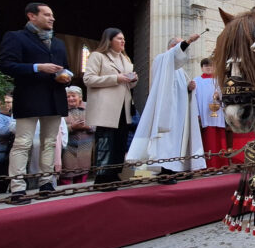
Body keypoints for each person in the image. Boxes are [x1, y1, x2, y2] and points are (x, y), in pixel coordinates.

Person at [0, 2, 71, 204]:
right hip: (29, 96)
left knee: (50, 143)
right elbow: (6, 65)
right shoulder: (16, 37)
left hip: (54, 98)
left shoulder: (58, 43)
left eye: (52, 15)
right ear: (32, 16)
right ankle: (18, 188)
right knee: (23, 143)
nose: (52, 18)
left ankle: (46, 183)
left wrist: (65, 76)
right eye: (47, 14)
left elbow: (66, 68)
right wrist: (37, 67)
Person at [126, 34, 205, 176]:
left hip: (179, 112)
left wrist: (189, 87)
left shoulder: (180, 69)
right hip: (166, 110)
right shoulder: (162, 59)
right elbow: (173, 60)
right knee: (166, 140)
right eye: (181, 47)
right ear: (172, 48)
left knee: (176, 141)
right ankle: (164, 170)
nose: (185, 51)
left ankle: (176, 168)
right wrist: (189, 41)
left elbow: (181, 88)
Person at [83, 28, 138, 185]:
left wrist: (133, 80)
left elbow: (128, 85)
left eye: (124, 39)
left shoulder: (126, 60)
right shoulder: (98, 56)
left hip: (123, 106)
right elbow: (89, 79)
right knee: (105, 141)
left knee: (120, 141)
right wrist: (116, 78)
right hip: (106, 107)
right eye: (119, 38)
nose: (123, 41)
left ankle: (114, 174)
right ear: (109, 40)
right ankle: (102, 177)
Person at [193, 58, 228, 169]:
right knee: (207, 141)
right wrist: (196, 113)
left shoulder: (219, 80)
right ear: (202, 68)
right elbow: (193, 98)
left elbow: (224, 97)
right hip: (203, 115)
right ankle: (208, 166)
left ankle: (222, 165)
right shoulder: (196, 81)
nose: (208, 68)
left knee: (219, 140)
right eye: (205, 66)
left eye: (210, 66)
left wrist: (219, 96)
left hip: (218, 115)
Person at [60, 86, 94, 185]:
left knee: (83, 170)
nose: (70, 98)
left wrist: (88, 127)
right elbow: (58, 128)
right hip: (67, 146)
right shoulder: (61, 109)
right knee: (66, 171)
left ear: (80, 97)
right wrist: (72, 127)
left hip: (85, 146)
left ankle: (80, 191)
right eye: (67, 96)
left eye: (73, 96)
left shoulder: (89, 107)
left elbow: (98, 124)